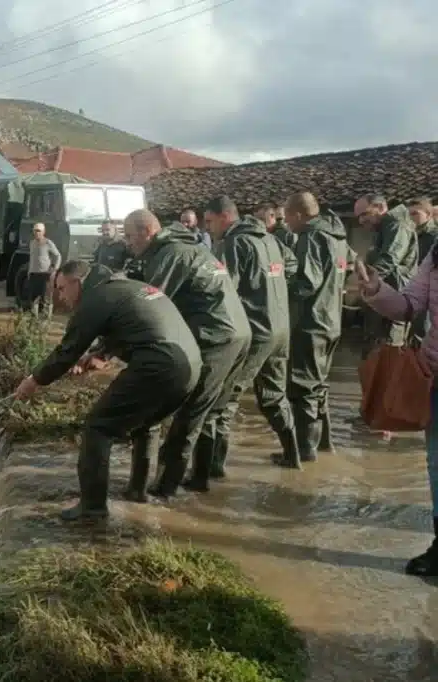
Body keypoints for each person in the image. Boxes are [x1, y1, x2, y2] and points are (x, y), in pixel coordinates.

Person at [13, 260, 202, 519]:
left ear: (77, 282)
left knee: (98, 428)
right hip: (192, 365)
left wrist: (34, 380)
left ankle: (92, 509)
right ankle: (137, 492)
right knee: (147, 424)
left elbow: (67, 351)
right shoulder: (126, 288)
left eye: (61, 288)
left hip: (159, 364)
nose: (60, 296)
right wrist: (102, 355)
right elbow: (139, 326)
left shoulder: (95, 297)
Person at [122, 209, 251, 498]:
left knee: (189, 411)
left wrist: (108, 347)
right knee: (211, 410)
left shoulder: (170, 254)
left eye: (130, 236)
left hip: (216, 338)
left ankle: (165, 488)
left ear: (147, 232)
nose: (127, 243)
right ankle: (201, 478)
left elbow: (150, 306)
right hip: (239, 333)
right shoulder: (189, 247)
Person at [201, 196, 301, 474]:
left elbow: (224, 290)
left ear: (225, 217)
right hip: (280, 329)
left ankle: (213, 470)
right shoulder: (270, 239)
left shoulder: (234, 243)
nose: (207, 228)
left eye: (209, 221)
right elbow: (292, 266)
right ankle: (293, 456)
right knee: (274, 396)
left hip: (255, 332)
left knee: (225, 400)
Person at [357, 251, 438, 577]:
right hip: (434, 375)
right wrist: (377, 290)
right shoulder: (436, 255)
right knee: (437, 464)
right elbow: (409, 306)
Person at [284, 192, 348, 463]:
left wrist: (280, 286)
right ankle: (324, 443)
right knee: (320, 384)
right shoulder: (338, 238)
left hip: (311, 322)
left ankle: (304, 450)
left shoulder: (310, 237)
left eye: (287, 217)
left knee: (303, 387)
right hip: (332, 321)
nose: (286, 223)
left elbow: (307, 283)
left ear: (299, 214)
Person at [354, 193, 419, 357]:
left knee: (389, 351)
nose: (361, 220)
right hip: (386, 293)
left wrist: (369, 282)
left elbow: (390, 258)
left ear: (381, 207)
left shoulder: (396, 225)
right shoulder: (385, 227)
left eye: (365, 214)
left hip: (394, 294)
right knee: (378, 350)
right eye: (359, 217)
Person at [407, 197, 437, 345]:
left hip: (429, 291)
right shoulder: (410, 235)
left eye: (415, 214)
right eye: (409, 214)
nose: (411, 218)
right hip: (412, 287)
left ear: (428, 214)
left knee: (423, 331)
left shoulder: (434, 237)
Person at [27, 222, 62, 316]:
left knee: (44, 297)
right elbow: (32, 258)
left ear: (43, 232)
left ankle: (45, 318)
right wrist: (29, 272)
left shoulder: (48, 243)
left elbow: (58, 255)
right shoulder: (32, 243)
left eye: (39, 231)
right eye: (35, 231)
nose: (36, 233)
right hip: (34, 274)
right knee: (33, 297)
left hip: (45, 274)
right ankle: (34, 318)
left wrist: (55, 269)